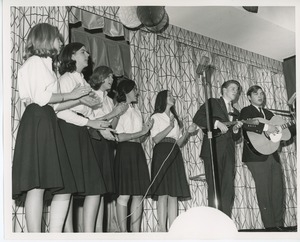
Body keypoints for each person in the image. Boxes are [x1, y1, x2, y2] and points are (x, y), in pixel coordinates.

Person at [12, 23, 93, 232]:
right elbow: (41, 98)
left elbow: (55, 104)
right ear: (46, 39)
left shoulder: (46, 64)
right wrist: (72, 95)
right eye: (57, 37)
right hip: (38, 119)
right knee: (36, 186)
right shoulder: (35, 62)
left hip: (47, 119)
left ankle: (54, 234)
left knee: (64, 185)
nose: (61, 41)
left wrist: (78, 98)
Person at [56, 42, 111, 232]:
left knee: (95, 187)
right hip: (69, 132)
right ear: (72, 57)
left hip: (83, 132)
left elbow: (92, 113)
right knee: (68, 187)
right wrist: (90, 122)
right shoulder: (66, 79)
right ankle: (70, 234)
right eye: (82, 52)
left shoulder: (84, 81)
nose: (88, 54)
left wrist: (101, 123)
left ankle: (89, 234)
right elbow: (60, 112)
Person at [193, 80, 243, 217]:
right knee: (215, 187)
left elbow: (236, 137)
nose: (235, 91)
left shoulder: (236, 112)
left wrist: (236, 130)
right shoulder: (213, 102)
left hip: (229, 152)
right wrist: (216, 123)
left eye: (237, 89)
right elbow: (197, 118)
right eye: (232, 88)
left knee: (228, 189)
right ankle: (214, 222)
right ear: (224, 90)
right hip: (212, 149)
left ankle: (225, 220)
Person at [150, 90, 197, 232]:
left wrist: (188, 132)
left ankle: (173, 229)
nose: (172, 97)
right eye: (169, 95)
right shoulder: (156, 117)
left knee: (173, 193)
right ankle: (162, 230)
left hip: (174, 152)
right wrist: (169, 127)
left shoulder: (175, 119)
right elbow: (156, 139)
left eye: (172, 95)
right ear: (162, 99)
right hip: (161, 152)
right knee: (163, 193)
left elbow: (179, 142)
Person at [88, 66, 128, 232]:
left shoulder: (109, 99)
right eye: (109, 76)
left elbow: (111, 124)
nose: (112, 80)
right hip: (94, 141)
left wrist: (117, 114)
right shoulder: (91, 94)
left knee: (102, 189)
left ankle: (99, 231)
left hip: (106, 144)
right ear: (100, 77)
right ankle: (90, 231)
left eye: (112, 77)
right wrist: (113, 113)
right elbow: (91, 120)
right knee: (94, 188)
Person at [240, 85, 284, 231]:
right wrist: (266, 128)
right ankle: (270, 228)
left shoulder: (268, 113)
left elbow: (282, 131)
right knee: (264, 191)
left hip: (273, 155)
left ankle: (279, 225)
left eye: (261, 93)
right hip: (256, 156)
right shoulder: (246, 111)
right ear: (249, 97)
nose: (260, 96)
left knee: (278, 190)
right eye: (256, 93)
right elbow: (246, 124)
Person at [114, 78, 153, 232]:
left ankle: (136, 233)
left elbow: (140, 137)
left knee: (138, 194)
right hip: (125, 151)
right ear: (126, 91)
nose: (137, 92)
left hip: (137, 151)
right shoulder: (119, 108)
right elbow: (118, 136)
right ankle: (124, 233)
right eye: (135, 89)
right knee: (124, 194)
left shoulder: (136, 110)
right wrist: (140, 132)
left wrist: (146, 130)